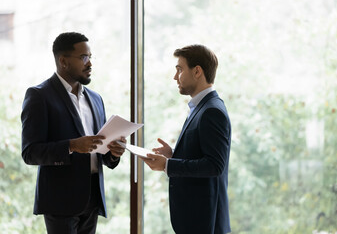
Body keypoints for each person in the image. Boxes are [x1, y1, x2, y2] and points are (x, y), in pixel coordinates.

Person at [21, 32, 126, 234]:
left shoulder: (96, 99)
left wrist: (113, 152)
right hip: (60, 202)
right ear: (63, 61)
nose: (90, 64)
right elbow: (30, 152)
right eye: (84, 57)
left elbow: (100, 151)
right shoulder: (39, 95)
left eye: (90, 57)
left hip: (93, 198)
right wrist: (72, 146)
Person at [142, 44, 231, 234]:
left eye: (179, 70)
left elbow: (214, 165)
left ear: (197, 71)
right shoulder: (201, 108)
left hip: (205, 224)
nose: (175, 77)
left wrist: (167, 165)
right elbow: (202, 155)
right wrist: (172, 156)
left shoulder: (212, 111)